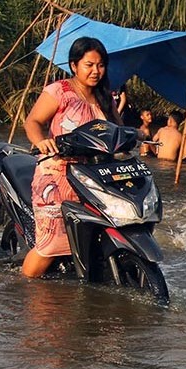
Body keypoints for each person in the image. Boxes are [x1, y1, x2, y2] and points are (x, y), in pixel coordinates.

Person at [21, 37, 122, 279]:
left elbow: (118, 131)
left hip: (94, 176)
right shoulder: (60, 91)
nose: (96, 71)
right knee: (51, 244)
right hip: (57, 175)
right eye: (89, 65)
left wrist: (133, 140)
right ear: (74, 65)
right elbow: (32, 122)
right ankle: (24, 287)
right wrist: (42, 141)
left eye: (100, 65)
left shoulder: (105, 98)